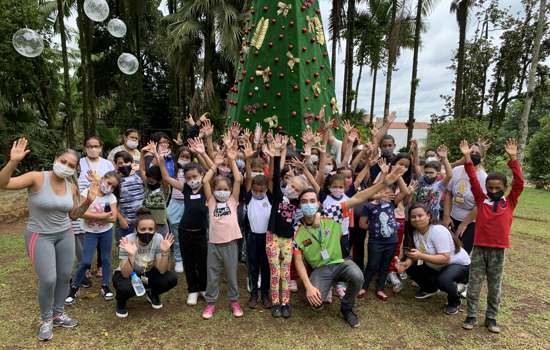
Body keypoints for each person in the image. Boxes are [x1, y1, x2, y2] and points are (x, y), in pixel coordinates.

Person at [0, 138, 97, 341]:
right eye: (64, 161)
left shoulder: (71, 186)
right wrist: (13, 162)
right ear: (55, 159)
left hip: (65, 234)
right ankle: (46, 320)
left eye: (72, 165)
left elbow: (73, 215)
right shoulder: (36, 178)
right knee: (48, 279)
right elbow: (4, 184)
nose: (67, 167)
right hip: (39, 236)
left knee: (64, 276)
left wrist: (88, 201)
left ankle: (58, 314)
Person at [293, 164, 407, 328]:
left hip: (340, 262)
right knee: (315, 304)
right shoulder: (297, 230)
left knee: (357, 276)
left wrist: (384, 182)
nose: (308, 204)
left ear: (319, 204)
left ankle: (347, 308)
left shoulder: (332, 212)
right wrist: (308, 286)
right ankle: (327, 287)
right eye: (304, 202)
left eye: (312, 201)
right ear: (299, 205)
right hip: (320, 269)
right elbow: (298, 261)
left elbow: (358, 197)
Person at [460, 139, 524, 333]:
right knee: (474, 285)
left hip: (498, 252)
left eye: (498, 188)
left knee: (495, 287)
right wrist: (466, 157)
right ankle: (471, 315)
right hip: (479, 249)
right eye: (490, 188)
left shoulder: (510, 202)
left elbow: (519, 183)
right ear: (486, 187)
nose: (493, 191)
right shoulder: (482, 200)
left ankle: (491, 318)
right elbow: (472, 177)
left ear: (504, 187)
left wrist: (513, 158)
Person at [397, 203, 471, 315]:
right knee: (411, 268)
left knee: (444, 280)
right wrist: (406, 263)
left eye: (420, 215)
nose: (416, 219)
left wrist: (420, 256)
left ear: (429, 216)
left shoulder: (437, 230)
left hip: (457, 264)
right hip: (437, 265)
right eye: (413, 217)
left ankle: (454, 300)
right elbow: (415, 254)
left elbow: (445, 259)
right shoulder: (415, 233)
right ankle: (430, 289)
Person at [158, 147, 208, 307]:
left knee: (202, 263)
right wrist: (160, 159)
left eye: (195, 176)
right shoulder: (185, 188)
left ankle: (203, 288)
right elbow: (166, 177)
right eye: (189, 177)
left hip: (201, 232)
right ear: (185, 179)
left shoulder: (207, 188)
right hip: (185, 231)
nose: (192, 179)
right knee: (189, 263)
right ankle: (192, 290)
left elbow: (211, 170)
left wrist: (201, 153)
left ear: (202, 176)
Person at [358, 160, 414, 301]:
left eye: (388, 192)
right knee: (372, 264)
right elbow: (362, 225)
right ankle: (364, 286)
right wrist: (376, 227)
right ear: (376, 192)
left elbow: (404, 192)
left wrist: (398, 174)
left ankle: (380, 288)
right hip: (375, 242)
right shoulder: (369, 207)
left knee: (384, 266)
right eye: (381, 191)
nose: (385, 194)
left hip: (391, 241)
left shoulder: (392, 203)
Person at [200, 144, 244, 319]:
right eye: (219, 189)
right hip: (213, 244)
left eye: (225, 189)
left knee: (231, 275)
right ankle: (211, 303)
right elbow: (205, 181)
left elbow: (239, 180)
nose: (222, 192)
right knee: (212, 275)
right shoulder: (211, 201)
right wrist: (214, 165)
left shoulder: (233, 201)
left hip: (230, 244)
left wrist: (232, 160)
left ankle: (234, 301)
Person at [267, 134, 308, 319]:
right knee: (275, 272)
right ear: (288, 183)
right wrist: (277, 152)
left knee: (285, 273)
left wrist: (305, 167)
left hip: (288, 240)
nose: (293, 190)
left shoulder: (299, 205)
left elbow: (314, 192)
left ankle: (285, 304)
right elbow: (276, 174)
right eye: (292, 185)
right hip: (273, 237)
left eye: (298, 190)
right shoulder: (278, 195)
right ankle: (275, 303)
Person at [65, 171, 120, 304]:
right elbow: (82, 213)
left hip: (106, 232)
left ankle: (105, 286)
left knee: (106, 260)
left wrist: (100, 216)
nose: (110, 188)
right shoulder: (87, 193)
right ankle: (74, 288)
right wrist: (102, 216)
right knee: (85, 261)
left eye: (113, 187)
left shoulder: (112, 197)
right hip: (90, 233)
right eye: (109, 183)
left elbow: (113, 218)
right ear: (102, 179)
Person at [113, 208, 178, 318]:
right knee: (125, 287)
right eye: (142, 229)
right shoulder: (128, 240)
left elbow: (161, 270)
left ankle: (152, 293)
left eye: (150, 229)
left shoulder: (158, 239)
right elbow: (125, 274)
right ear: (136, 229)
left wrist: (165, 252)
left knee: (171, 278)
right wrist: (131, 255)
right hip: (129, 274)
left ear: (155, 230)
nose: (147, 232)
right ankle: (121, 301)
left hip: (146, 273)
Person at [78, 136, 115, 278]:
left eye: (96, 146)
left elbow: (112, 181)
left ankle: (100, 265)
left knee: (102, 234)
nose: (93, 149)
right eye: (89, 146)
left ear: (101, 148)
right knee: (85, 236)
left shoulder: (107, 164)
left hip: (102, 204)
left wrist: (97, 181)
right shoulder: (79, 163)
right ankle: (85, 266)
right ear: (85, 148)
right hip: (82, 203)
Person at [443, 142, 487, 254]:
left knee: (463, 251)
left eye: (477, 153)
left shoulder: (483, 177)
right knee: (448, 249)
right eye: (471, 152)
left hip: (471, 221)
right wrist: (446, 216)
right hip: (453, 217)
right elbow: (448, 193)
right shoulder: (457, 170)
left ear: (482, 157)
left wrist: (464, 224)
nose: (474, 154)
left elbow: (480, 204)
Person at [167, 146, 192, 273]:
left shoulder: (193, 171)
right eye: (182, 156)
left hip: (189, 204)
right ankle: (178, 259)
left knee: (189, 234)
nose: (185, 159)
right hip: (175, 204)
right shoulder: (173, 170)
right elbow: (164, 174)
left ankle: (188, 258)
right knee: (176, 234)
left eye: (187, 157)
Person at [114, 151, 145, 241]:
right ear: (116, 165)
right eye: (120, 163)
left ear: (132, 163)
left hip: (141, 220)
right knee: (126, 249)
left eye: (126, 162)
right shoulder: (116, 180)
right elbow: (112, 202)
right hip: (126, 222)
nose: (124, 165)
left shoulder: (139, 175)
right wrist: (121, 219)